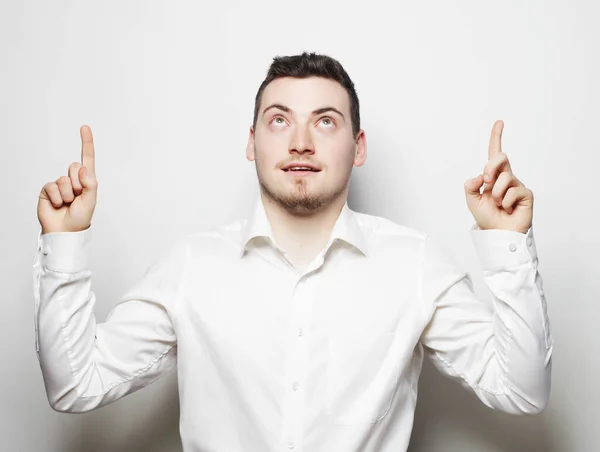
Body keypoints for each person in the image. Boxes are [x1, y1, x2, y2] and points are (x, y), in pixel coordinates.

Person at [33, 52, 553, 452]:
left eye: (325, 121)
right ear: (252, 141)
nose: (301, 142)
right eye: (279, 120)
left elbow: (521, 391)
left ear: (359, 145)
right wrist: (65, 242)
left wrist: (507, 244)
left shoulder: (413, 264)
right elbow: (76, 386)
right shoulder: (191, 266)